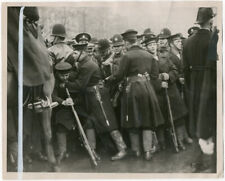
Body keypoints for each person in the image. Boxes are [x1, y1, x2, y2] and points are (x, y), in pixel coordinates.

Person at [60, 45, 127, 161]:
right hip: (92, 96)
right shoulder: (83, 64)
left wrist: (65, 84)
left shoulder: (88, 66)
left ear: (83, 53)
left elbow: (80, 85)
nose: (73, 55)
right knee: (92, 122)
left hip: (98, 96)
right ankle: (96, 150)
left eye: (75, 53)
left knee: (108, 122)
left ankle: (122, 148)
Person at [108, 29, 165, 160]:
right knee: (147, 120)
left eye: (125, 44)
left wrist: (109, 80)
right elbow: (155, 76)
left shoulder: (127, 56)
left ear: (127, 43)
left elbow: (119, 75)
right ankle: (148, 151)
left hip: (131, 89)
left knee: (131, 119)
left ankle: (136, 150)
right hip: (147, 88)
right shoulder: (149, 55)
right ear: (136, 41)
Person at [183, 7, 218, 172]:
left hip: (194, 85)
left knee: (196, 121)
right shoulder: (215, 39)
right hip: (211, 85)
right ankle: (215, 162)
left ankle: (197, 161)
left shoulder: (188, 41)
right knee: (213, 120)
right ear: (211, 20)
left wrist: (190, 86)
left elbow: (185, 69)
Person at [52, 61, 100, 164]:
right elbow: (53, 95)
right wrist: (63, 101)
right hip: (63, 108)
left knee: (89, 122)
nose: (65, 78)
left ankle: (92, 149)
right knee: (61, 125)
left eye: (67, 75)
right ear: (58, 74)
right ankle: (62, 151)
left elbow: (82, 93)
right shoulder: (54, 81)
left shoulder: (74, 78)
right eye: (62, 76)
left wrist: (75, 101)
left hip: (77, 106)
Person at [156, 46, 189, 151]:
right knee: (166, 120)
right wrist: (159, 81)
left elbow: (175, 70)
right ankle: (170, 142)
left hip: (172, 92)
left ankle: (180, 140)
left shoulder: (166, 59)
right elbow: (149, 78)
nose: (152, 47)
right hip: (160, 94)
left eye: (153, 45)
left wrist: (168, 76)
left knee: (177, 117)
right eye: (149, 45)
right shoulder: (149, 60)